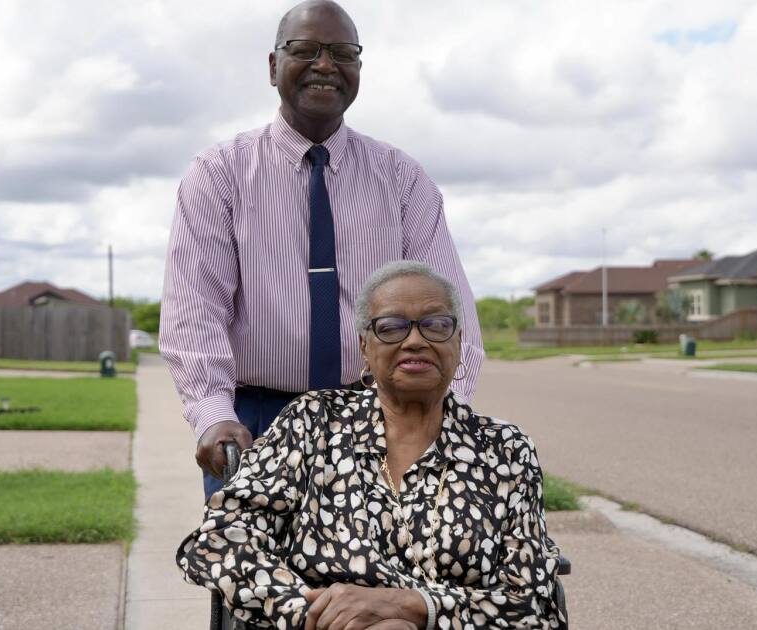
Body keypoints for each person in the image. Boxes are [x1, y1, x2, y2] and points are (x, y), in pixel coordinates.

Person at [158, 0, 484, 498]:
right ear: (273, 67)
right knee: (256, 551)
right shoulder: (219, 174)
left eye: (343, 53)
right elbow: (195, 311)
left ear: (358, 69)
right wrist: (213, 414)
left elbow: (451, 315)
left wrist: (441, 416)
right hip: (256, 423)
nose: (326, 65)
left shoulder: (403, 180)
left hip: (381, 417)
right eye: (306, 49)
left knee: (385, 552)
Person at [177, 262, 567, 630]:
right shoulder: (312, 423)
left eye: (435, 324)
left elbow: (533, 601)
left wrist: (414, 607)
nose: (415, 340)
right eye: (391, 327)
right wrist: (319, 615)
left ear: (459, 342)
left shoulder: (504, 449)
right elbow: (220, 541)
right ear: (365, 347)